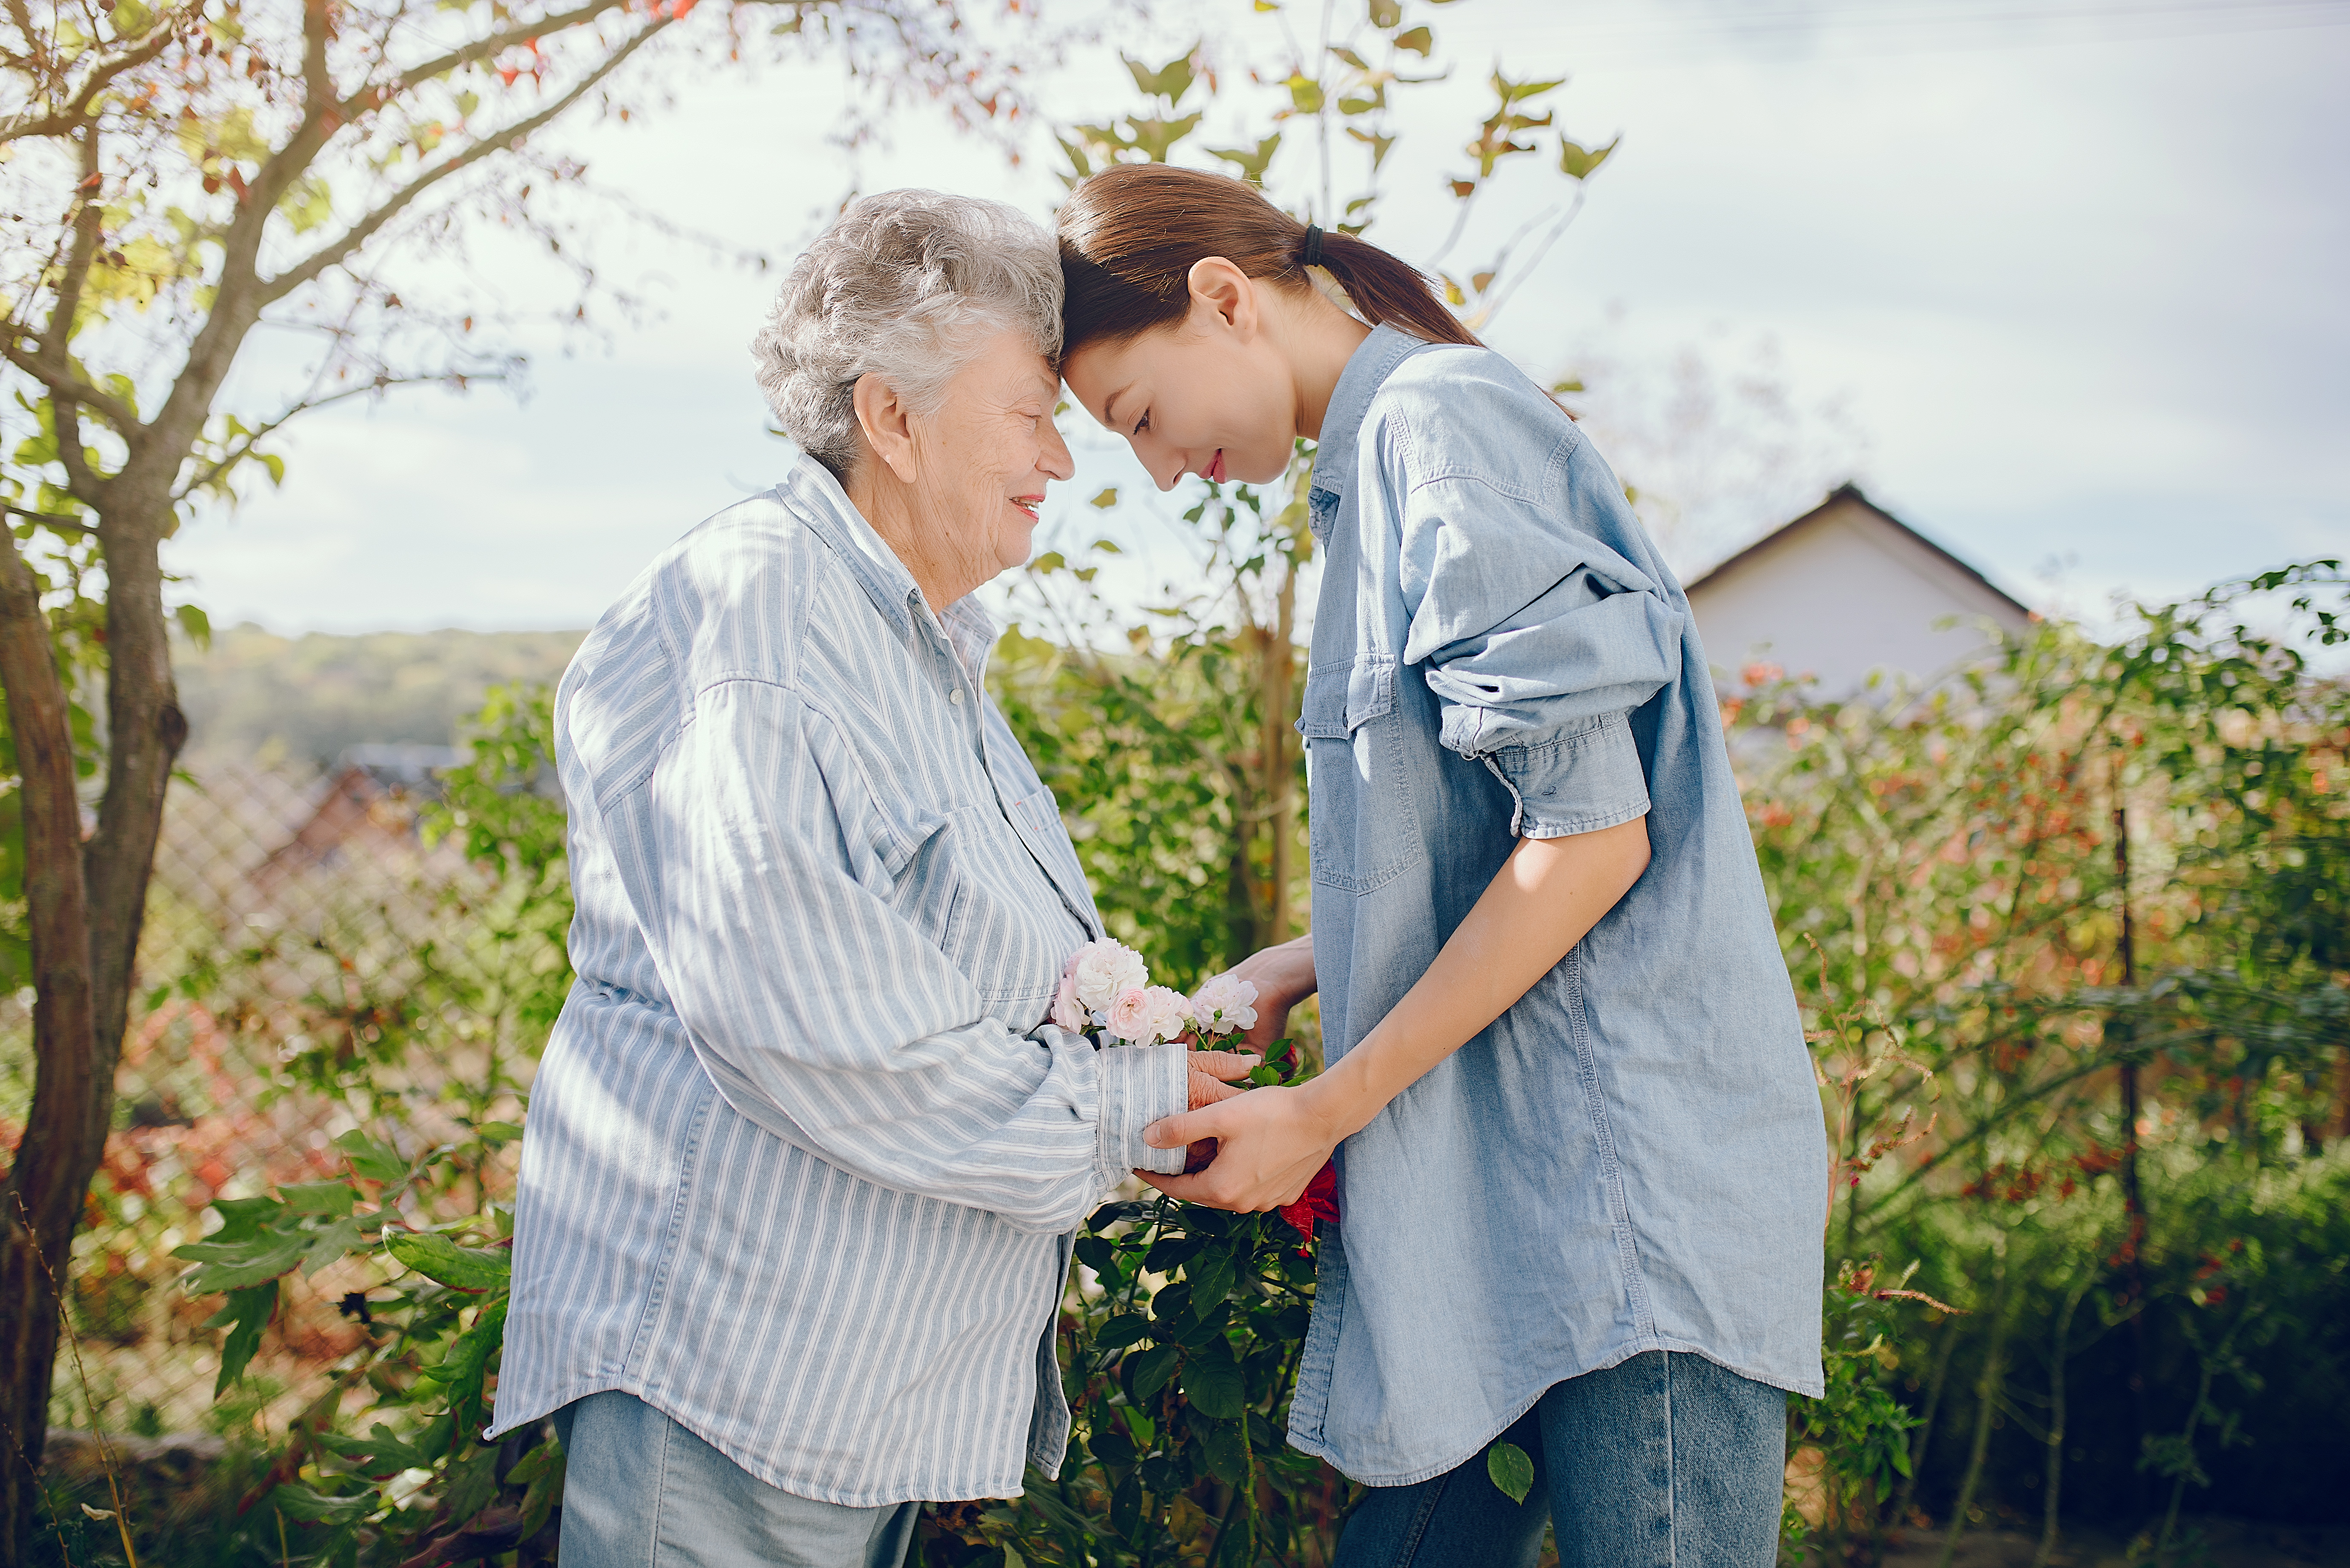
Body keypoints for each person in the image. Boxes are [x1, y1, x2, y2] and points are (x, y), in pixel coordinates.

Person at [1055, 163, 1828, 1568]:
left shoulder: (1443, 428)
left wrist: (1324, 1110)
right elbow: (1491, 836)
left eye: (1143, 419)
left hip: (1622, 1207)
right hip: (1496, 1201)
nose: (1160, 469)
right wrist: (1294, 969)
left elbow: (1592, 841)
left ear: (1222, 299)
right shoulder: (1365, 477)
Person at [491, 189, 1255, 1568]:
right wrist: (1121, 1111)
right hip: (739, 1380)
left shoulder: (912, 641)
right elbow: (809, 1013)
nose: (1062, 465)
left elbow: (948, 967)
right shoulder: (769, 613)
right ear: (893, 420)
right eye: (1032, 414)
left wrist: (1182, 1039)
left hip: (834, 1388)